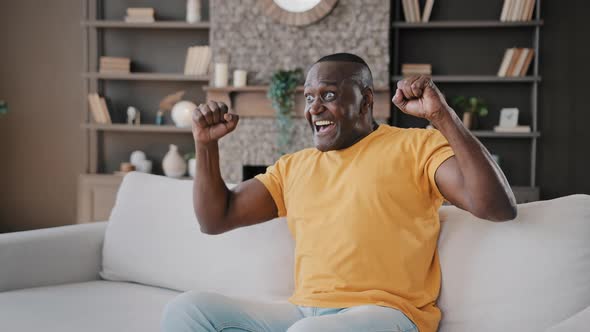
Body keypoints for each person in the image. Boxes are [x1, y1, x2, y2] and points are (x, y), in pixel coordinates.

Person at [161, 53, 517, 332]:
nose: (314, 107)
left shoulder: (415, 145)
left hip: (387, 316)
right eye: (309, 97)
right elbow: (215, 218)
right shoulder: (293, 166)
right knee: (188, 312)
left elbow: (496, 206)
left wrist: (442, 117)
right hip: (303, 313)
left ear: (365, 102)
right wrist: (205, 146)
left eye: (329, 95)